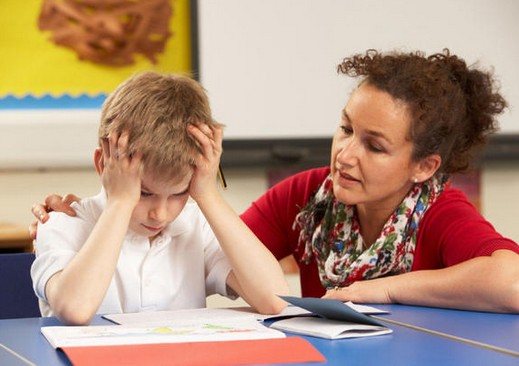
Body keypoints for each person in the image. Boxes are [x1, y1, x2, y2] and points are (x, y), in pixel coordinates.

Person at [31, 49, 519, 313]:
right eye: (346, 128)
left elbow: (511, 281)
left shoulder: (440, 212)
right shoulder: (309, 197)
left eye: (375, 145)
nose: (345, 154)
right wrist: (117, 206)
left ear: (424, 166)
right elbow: (241, 261)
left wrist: (389, 289)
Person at [30, 71, 288, 325]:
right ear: (103, 164)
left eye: (178, 193)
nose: (160, 214)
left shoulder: (196, 227)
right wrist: (121, 202)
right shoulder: (62, 223)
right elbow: (75, 309)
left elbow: (276, 301)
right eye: (144, 193)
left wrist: (208, 194)